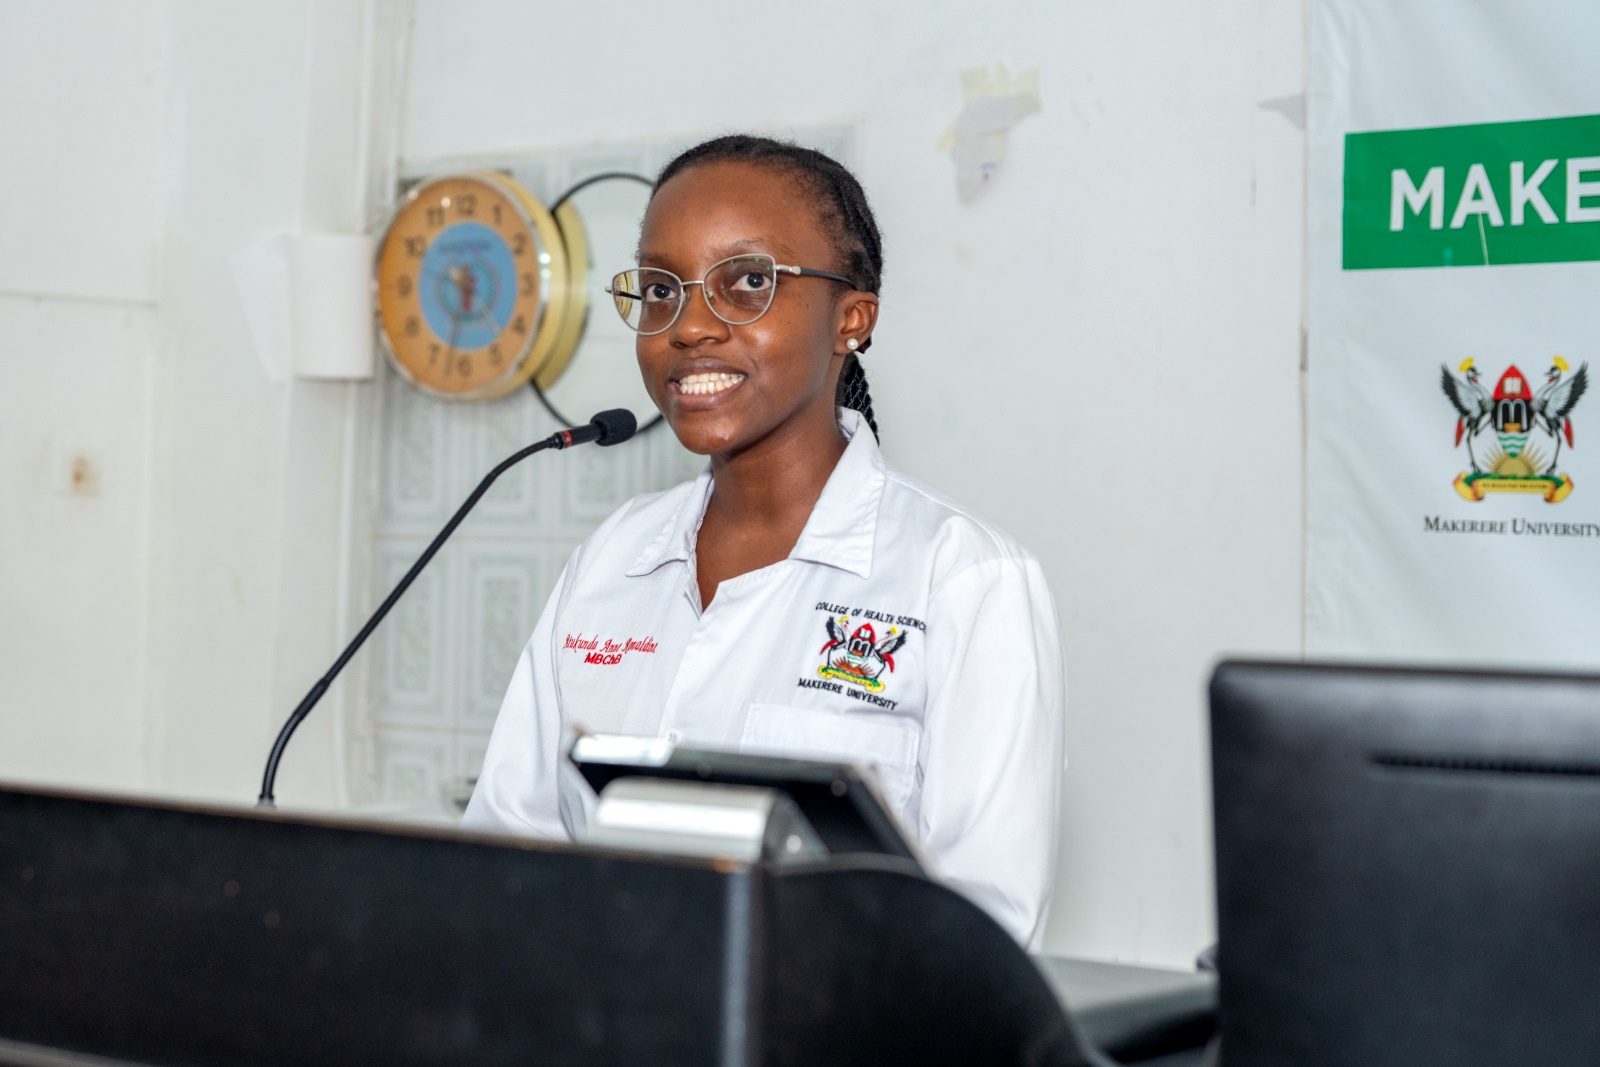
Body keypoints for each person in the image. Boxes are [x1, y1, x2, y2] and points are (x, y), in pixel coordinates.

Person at [464, 135, 1065, 947]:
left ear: (851, 319)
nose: (689, 326)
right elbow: (504, 855)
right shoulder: (611, 559)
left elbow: (983, 938)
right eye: (660, 289)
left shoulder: (964, 579)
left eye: (748, 281)